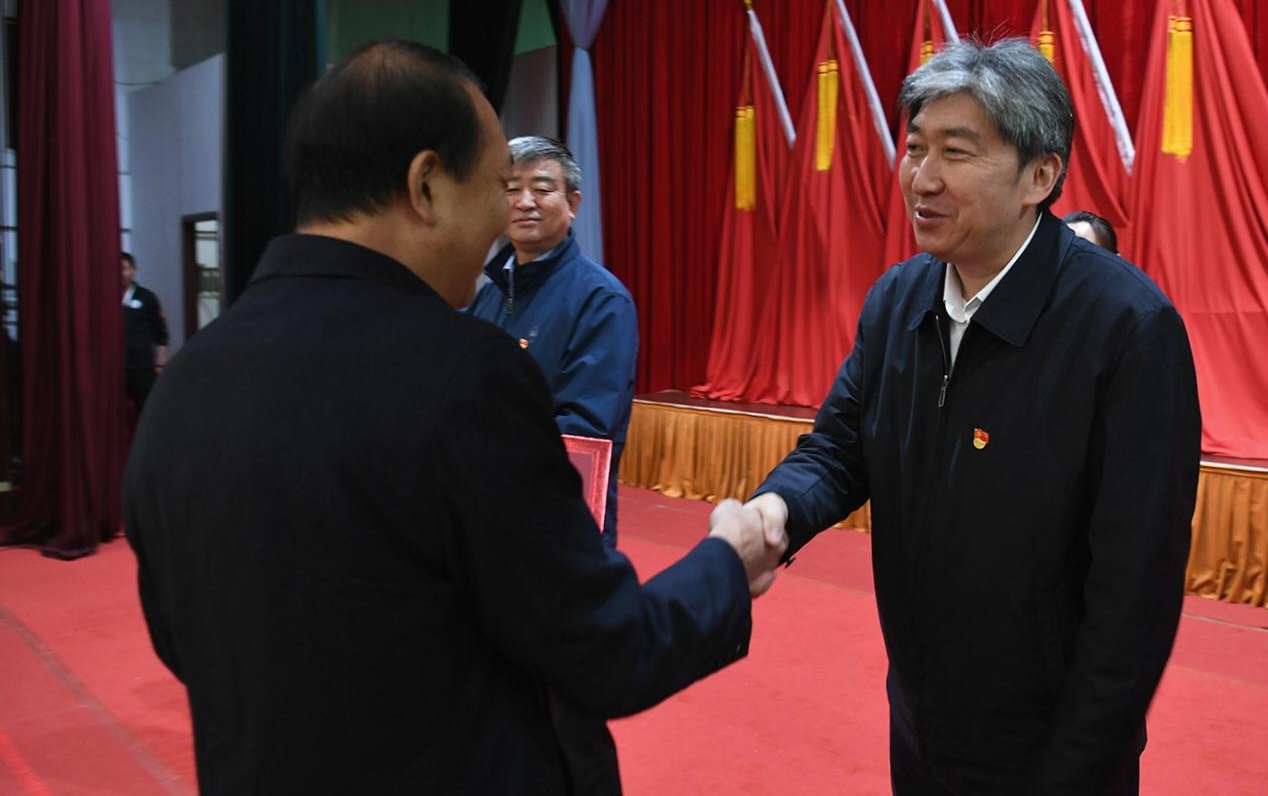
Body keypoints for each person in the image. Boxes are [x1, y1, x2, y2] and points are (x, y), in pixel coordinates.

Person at [123, 40, 779, 795]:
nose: (507, 215)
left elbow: (182, 640)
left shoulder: (188, 379)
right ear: (427, 184)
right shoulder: (465, 374)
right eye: (499, 186)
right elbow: (604, 651)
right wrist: (727, 563)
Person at [747, 38, 1200, 795]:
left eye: (956, 153)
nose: (922, 179)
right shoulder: (898, 299)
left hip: (1051, 749)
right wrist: (775, 513)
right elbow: (840, 447)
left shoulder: (1125, 328)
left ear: (1040, 176)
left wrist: (1080, 766)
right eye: (915, 148)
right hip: (920, 721)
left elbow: (1135, 595)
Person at [468, 136, 636, 550]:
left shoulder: (600, 299)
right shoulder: (488, 295)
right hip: (482, 510)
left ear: (573, 203)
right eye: (511, 189)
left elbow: (586, 429)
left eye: (542, 189)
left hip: (557, 519)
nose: (525, 202)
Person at [121, 251, 168, 415]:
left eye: (124, 269)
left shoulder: (147, 297)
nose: (121, 274)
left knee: (145, 410)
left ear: (133, 270)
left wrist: (160, 364)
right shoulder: (107, 296)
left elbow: (161, 333)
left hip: (142, 366)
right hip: (116, 366)